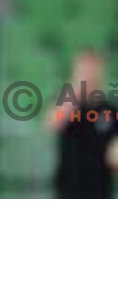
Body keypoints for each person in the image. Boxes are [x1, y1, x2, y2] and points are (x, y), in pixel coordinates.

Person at [49, 48, 118, 199]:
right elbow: (53, 123)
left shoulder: (110, 110)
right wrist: (78, 85)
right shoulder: (66, 101)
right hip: (68, 190)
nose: (89, 74)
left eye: (93, 68)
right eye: (84, 69)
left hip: (100, 190)